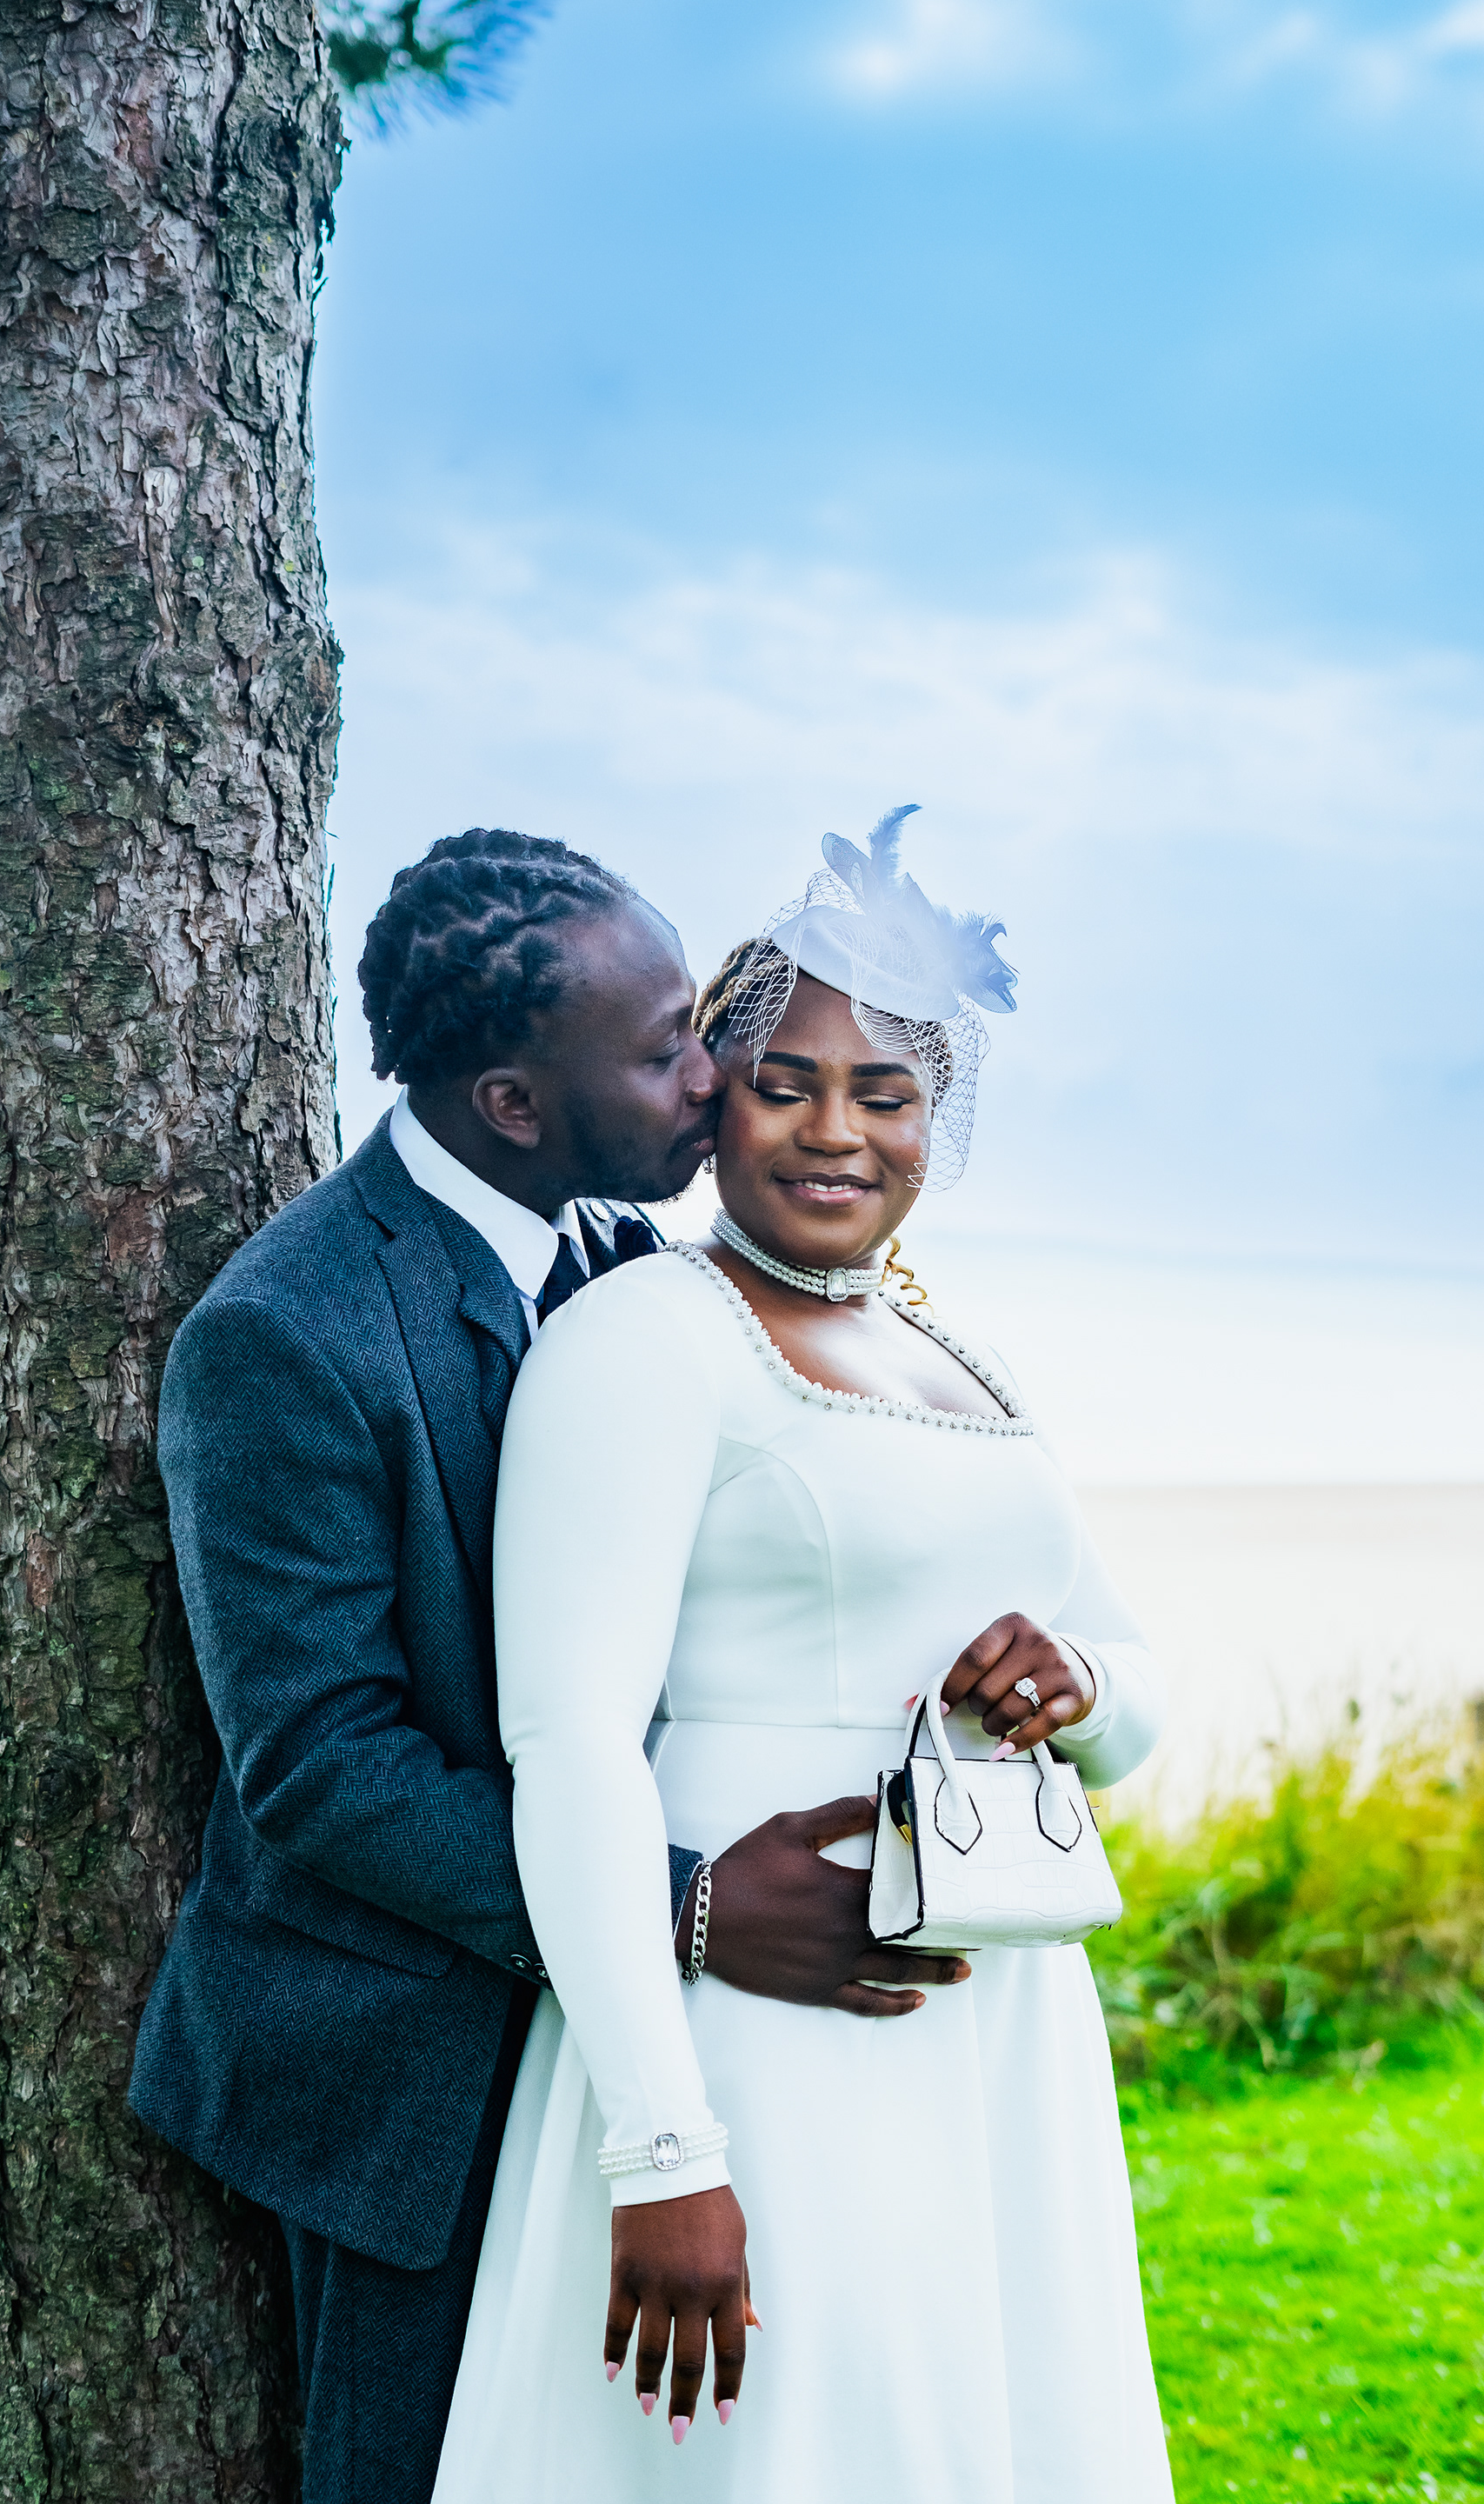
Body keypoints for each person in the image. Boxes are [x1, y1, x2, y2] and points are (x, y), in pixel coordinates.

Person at [129, 827, 966, 2504]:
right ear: (513, 1103)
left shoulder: (616, 1258)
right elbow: (323, 1769)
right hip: (404, 2060)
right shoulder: (286, 1336)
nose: (715, 1076)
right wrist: (687, 1905)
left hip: (618, 2017)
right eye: (666, 1053)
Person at [434, 810, 1173, 2503]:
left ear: (936, 1121)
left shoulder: (954, 1356)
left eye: (885, 1094)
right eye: (787, 1084)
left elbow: (1133, 1694)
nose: (836, 1131)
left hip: (989, 2031)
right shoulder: (644, 1339)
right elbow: (570, 1749)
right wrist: (662, 2147)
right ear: (716, 1097)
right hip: (758, 2035)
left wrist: (1078, 1683)